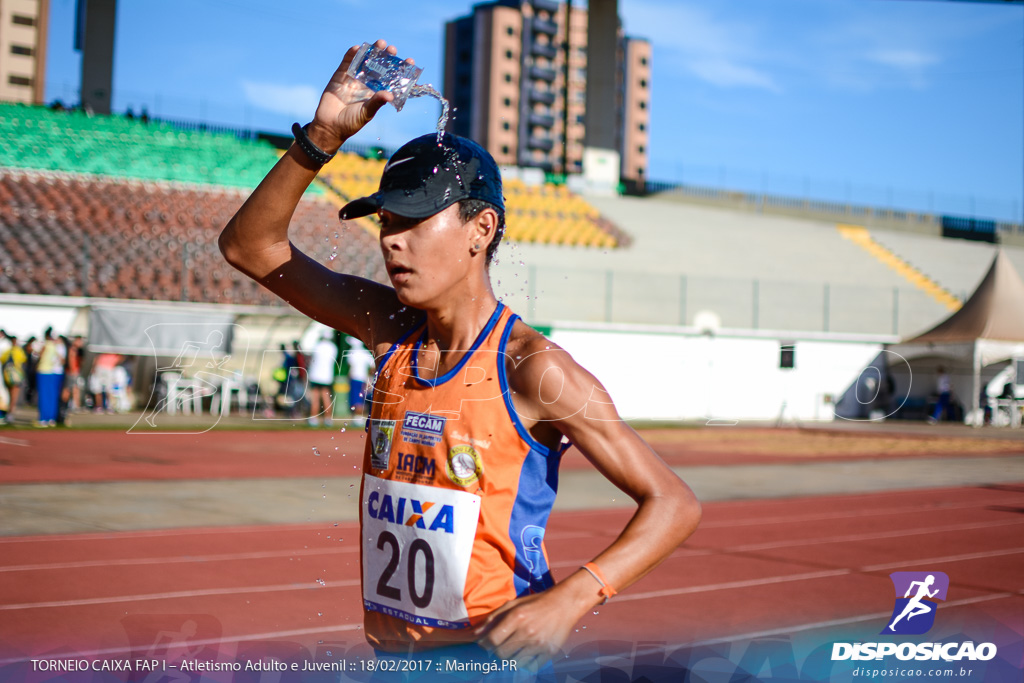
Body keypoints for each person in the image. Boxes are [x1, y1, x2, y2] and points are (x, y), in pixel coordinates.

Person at [219, 40, 701, 672]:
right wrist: (319, 138)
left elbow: (674, 502)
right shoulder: (389, 327)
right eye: (388, 222)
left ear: (482, 230)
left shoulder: (532, 369)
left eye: (416, 222)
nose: (393, 242)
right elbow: (249, 248)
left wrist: (571, 600)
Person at [35, 327, 65, 427]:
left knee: (44, 396)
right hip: (52, 372)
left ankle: (43, 418)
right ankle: (51, 418)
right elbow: (61, 359)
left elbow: (39, 356)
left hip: (43, 371)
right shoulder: (55, 346)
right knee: (51, 396)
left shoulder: (46, 345)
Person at [307, 331, 338, 427]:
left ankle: (313, 418)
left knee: (315, 397)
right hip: (327, 376)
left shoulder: (317, 346)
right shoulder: (333, 347)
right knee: (326, 397)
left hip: (315, 375)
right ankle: (328, 419)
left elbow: (311, 359)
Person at [1, 333, 26, 424]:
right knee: (14, 397)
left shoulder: (7, 351)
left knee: (8, 395)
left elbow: (2, 360)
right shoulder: (18, 350)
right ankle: (10, 414)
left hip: (7, 376)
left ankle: (7, 413)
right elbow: (23, 360)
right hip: (16, 376)